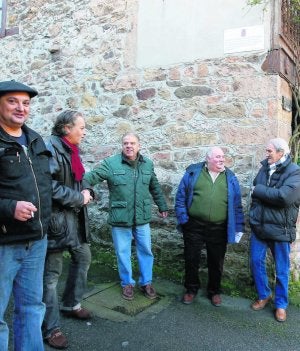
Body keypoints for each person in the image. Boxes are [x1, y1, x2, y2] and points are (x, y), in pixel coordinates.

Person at [84, 132, 168, 300]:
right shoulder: (111, 164)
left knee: (145, 250)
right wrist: (85, 188)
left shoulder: (147, 165)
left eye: (132, 143)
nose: (129, 146)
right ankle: (127, 283)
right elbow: (89, 177)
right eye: (125, 143)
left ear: (139, 146)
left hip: (142, 217)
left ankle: (146, 283)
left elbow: (155, 187)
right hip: (120, 217)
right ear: (122, 146)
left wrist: (162, 206)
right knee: (122, 252)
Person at [0, 80, 52, 351]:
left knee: (32, 307)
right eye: (12, 101)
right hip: (4, 244)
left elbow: (44, 184)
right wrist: (10, 208)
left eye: (26, 103)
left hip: (36, 240)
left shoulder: (35, 139)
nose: (21, 108)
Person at [43, 110, 94, 349]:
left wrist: (87, 192)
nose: (84, 132)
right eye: (81, 127)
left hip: (75, 221)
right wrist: (77, 197)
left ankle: (71, 304)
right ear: (66, 128)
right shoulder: (49, 148)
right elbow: (48, 186)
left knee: (83, 258)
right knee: (51, 277)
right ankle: (50, 328)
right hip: (56, 223)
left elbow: (79, 177)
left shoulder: (72, 150)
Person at [175, 146, 244, 307]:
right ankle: (191, 290)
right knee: (191, 259)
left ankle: (214, 291)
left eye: (223, 156)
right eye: (218, 157)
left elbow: (237, 205)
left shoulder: (230, 177)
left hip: (219, 228)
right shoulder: (193, 173)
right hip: (194, 226)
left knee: (216, 261)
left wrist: (239, 227)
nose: (222, 159)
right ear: (208, 159)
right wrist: (183, 219)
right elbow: (180, 196)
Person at [249, 138, 300, 323]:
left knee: (282, 270)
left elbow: (283, 197)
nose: (266, 154)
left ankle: (281, 305)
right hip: (259, 227)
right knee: (255, 261)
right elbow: (256, 196)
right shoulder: (264, 169)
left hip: (281, 230)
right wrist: (254, 212)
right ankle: (264, 295)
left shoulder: (295, 171)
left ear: (281, 153)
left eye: (269, 151)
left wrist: (258, 190)